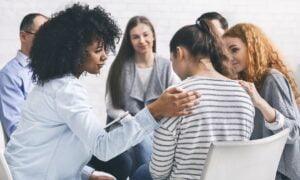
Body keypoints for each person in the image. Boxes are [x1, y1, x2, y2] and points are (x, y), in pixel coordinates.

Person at [4, 3, 200, 180]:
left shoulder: (51, 85)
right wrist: (155, 110)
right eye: (98, 50)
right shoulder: (65, 90)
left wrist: (88, 173)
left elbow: (45, 151)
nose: (105, 56)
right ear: (75, 53)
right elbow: (103, 147)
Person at [147, 19, 255, 180]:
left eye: (172, 61)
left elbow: (158, 172)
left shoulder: (177, 96)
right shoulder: (243, 93)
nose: (173, 68)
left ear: (180, 53)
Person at [89, 16, 180, 180]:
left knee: (148, 139)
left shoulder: (167, 66)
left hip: (158, 128)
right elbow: (111, 107)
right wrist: (135, 122)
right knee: (140, 138)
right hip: (124, 126)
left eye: (145, 35)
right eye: (136, 37)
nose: (142, 40)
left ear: (153, 35)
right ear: (129, 40)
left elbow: (175, 96)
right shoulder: (121, 66)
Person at [223, 23, 300, 180]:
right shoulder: (245, 81)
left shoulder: (272, 79)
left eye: (234, 49)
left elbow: (293, 132)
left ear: (252, 48)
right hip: (261, 170)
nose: (229, 58)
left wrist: (259, 102)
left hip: (282, 173)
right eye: (225, 52)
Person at [0, 13, 48, 139]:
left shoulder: (50, 69)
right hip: (34, 152)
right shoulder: (10, 75)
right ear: (23, 36)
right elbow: (15, 130)